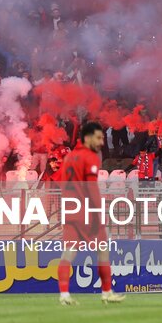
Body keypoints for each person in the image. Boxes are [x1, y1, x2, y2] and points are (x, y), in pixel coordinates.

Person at [55, 122, 124, 306]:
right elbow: (91, 187)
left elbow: (63, 184)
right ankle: (107, 292)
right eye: (98, 138)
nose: (101, 142)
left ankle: (64, 295)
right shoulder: (90, 157)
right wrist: (98, 212)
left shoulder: (69, 157)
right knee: (103, 250)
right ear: (87, 138)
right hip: (87, 211)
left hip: (70, 209)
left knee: (67, 253)